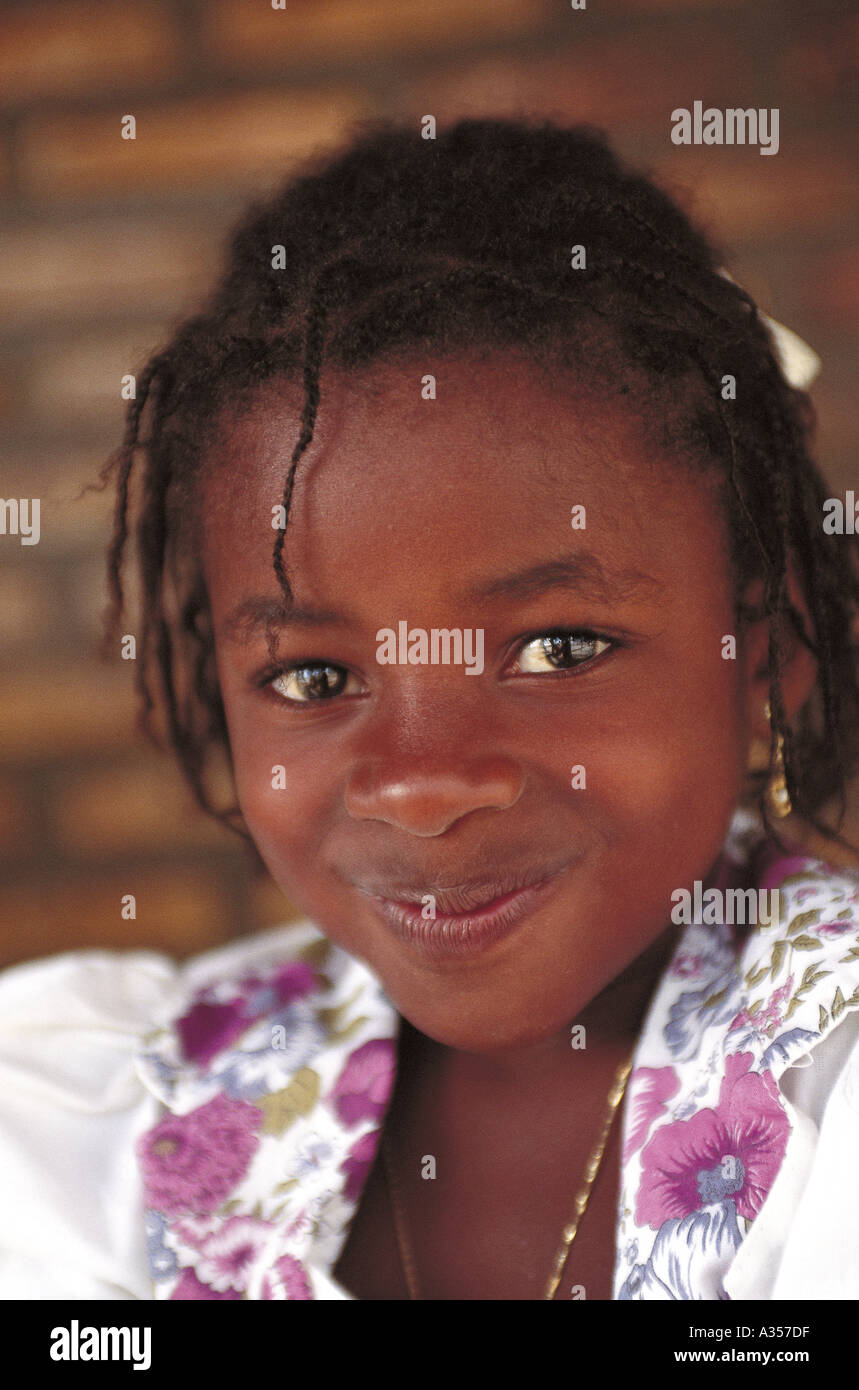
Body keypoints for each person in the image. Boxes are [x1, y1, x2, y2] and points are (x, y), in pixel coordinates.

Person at [1, 117, 857, 1301]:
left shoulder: (835, 1100)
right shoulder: (84, 1126)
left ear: (768, 648)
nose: (420, 781)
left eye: (558, 648)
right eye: (313, 677)